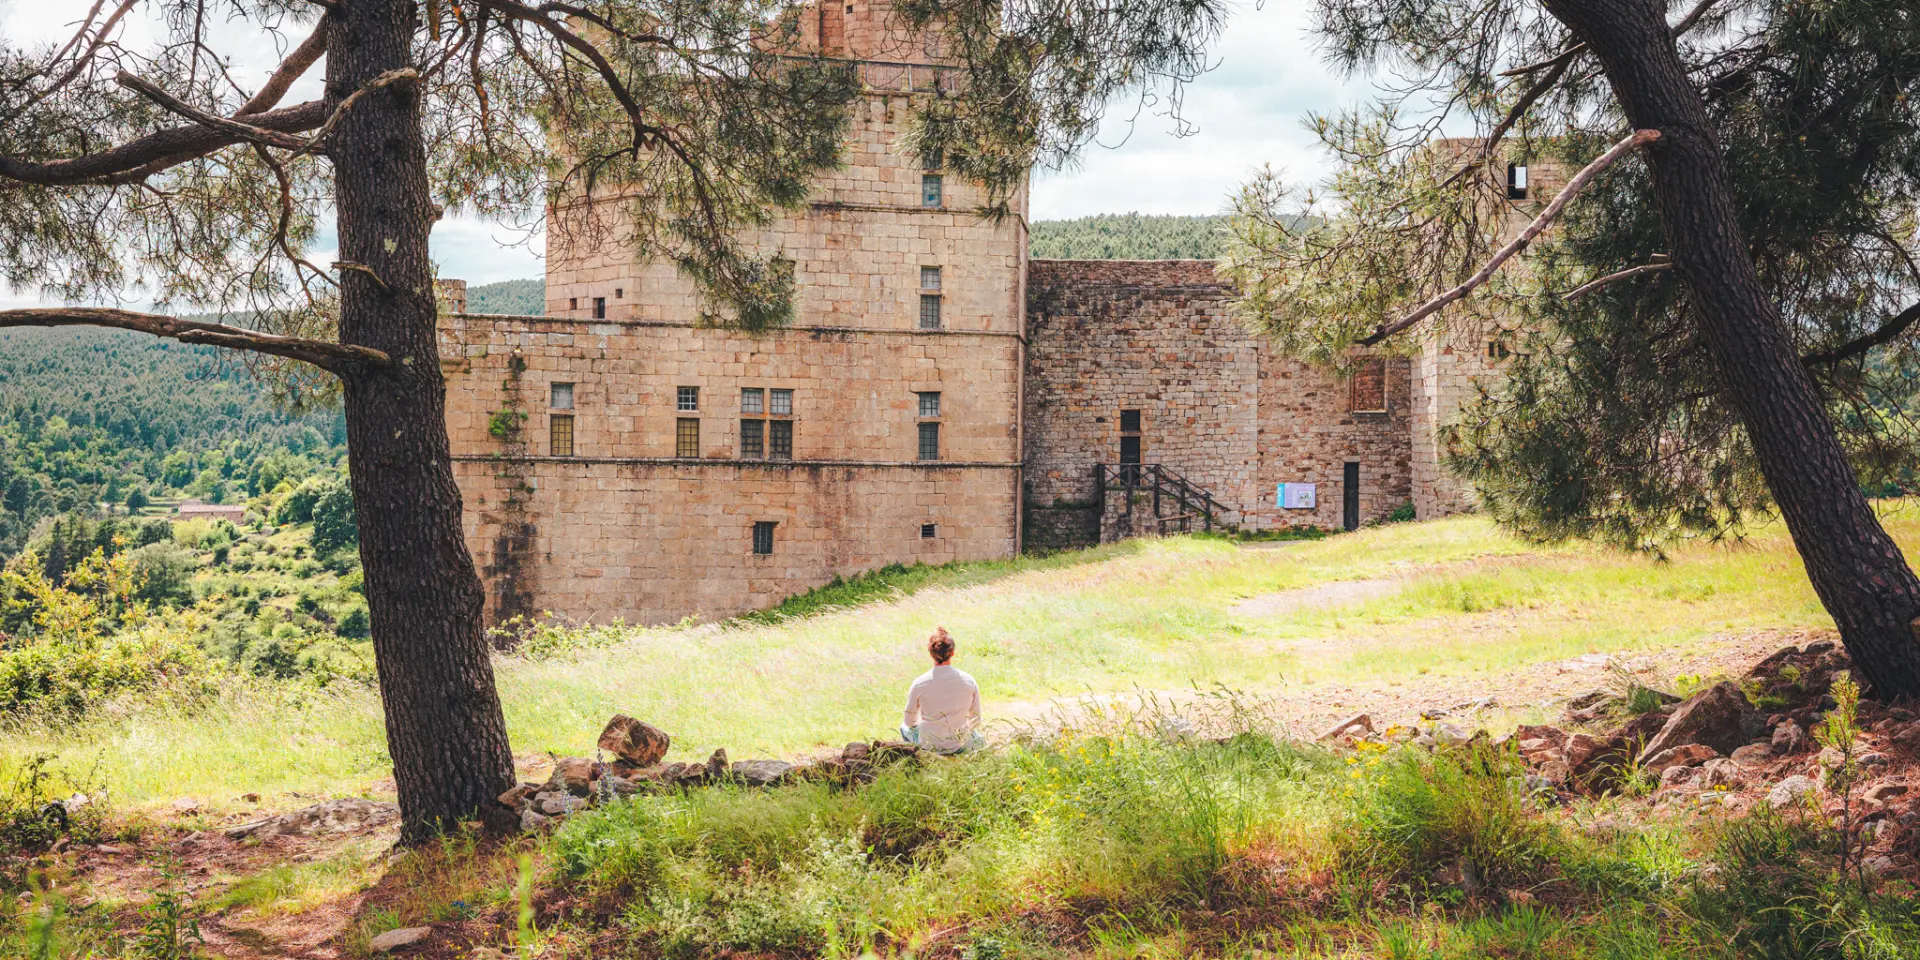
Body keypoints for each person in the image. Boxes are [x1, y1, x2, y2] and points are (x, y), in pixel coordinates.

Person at [900, 626, 983, 754]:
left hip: (929, 744)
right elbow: (976, 720)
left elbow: (909, 721)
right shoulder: (968, 681)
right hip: (959, 744)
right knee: (979, 738)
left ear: (931, 654)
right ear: (953, 653)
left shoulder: (919, 683)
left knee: (903, 728)